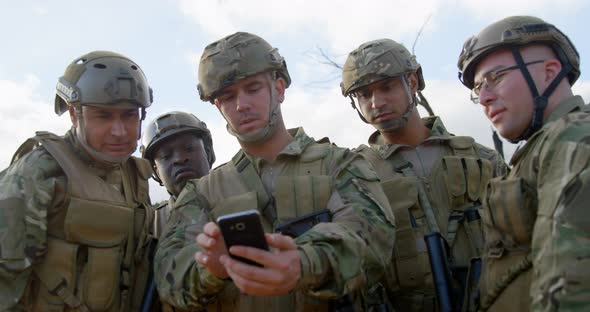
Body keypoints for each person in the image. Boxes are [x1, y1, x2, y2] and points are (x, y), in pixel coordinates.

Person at [154, 31, 396, 311]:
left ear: (278, 89)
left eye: (253, 88)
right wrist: (213, 269)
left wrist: (304, 262)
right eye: (228, 96)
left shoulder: (340, 165)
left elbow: (372, 240)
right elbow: (168, 277)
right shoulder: (202, 193)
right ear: (219, 106)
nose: (242, 105)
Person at [340, 39, 507, 311]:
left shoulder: (481, 159)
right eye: (363, 94)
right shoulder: (355, 175)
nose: (376, 102)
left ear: (413, 82)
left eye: (386, 86)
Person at [0, 51, 155, 311]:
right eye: (104, 116)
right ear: (74, 115)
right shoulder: (40, 172)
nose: (119, 131)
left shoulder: (135, 176)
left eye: (129, 115)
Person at [457, 15, 590, 311]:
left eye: (496, 78)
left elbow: (571, 290)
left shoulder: (574, 137)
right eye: (479, 89)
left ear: (549, 72)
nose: (485, 98)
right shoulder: (542, 148)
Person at [140, 111, 216, 237]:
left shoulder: (239, 187)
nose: (180, 159)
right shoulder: (151, 226)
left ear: (207, 153)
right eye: (166, 155)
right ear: (156, 171)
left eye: (190, 148)